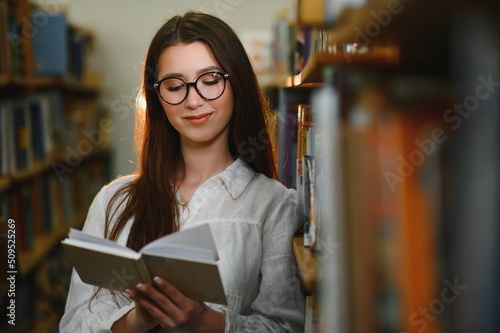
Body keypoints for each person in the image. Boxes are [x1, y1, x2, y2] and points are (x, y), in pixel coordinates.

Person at [59, 10, 305, 333]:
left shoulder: (274, 205)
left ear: (238, 83)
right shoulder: (112, 201)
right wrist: (138, 318)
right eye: (175, 86)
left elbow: (287, 326)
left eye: (211, 80)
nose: (193, 101)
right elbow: (73, 323)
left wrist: (207, 322)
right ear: (157, 96)